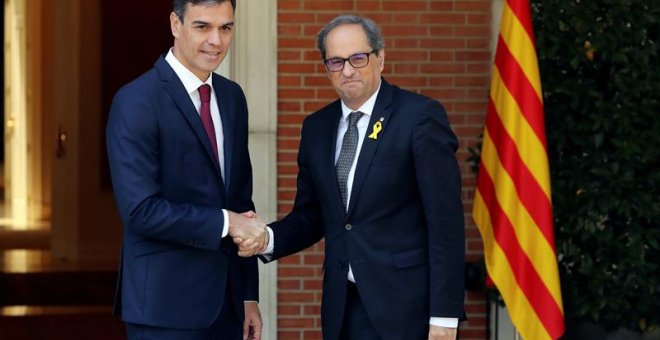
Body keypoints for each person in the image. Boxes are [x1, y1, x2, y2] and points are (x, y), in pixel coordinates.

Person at [238, 14, 466, 340]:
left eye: (358, 58)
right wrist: (266, 238)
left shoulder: (419, 117)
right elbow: (313, 215)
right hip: (343, 309)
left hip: (407, 310)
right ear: (326, 67)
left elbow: (445, 224)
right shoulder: (316, 128)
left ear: (380, 58)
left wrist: (445, 317)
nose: (347, 70)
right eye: (336, 61)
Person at [106, 0, 268, 339]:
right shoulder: (136, 99)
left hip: (227, 306)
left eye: (226, 28)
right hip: (164, 308)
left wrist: (247, 295)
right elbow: (140, 210)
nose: (216, 41)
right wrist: (227, 222)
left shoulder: (232, 97)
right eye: (202, 27)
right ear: (175, 24)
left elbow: (240, 201)